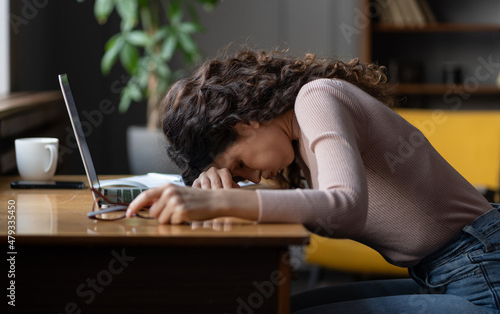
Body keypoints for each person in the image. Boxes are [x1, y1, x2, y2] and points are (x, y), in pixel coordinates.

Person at [126, 49, 500, 313]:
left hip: (482, 273)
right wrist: (219, 184)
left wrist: (216, 202)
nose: (252, 177)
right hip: (447, 272)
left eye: (239, 164)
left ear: (246, 122)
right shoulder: (300, 141)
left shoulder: (316, 97)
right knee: (283, 306)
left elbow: (345, 206)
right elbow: (312, 203)